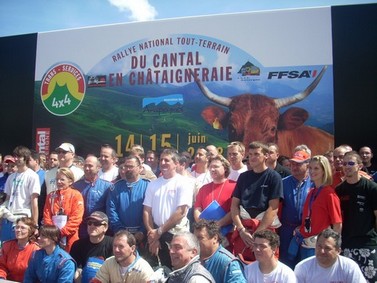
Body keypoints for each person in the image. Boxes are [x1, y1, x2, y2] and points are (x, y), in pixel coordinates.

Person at [231, 142, 283, 261]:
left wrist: (258, 234)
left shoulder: (274, 177)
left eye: (256, 154)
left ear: (266, 156)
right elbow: (234, 206)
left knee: (266, 265)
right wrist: (241, 230)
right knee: (241, 264)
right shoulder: (243, 177)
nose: (252, 157)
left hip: (265, 230)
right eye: (250, 154)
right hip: (244, 231)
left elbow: (273, 208)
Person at [143, 149, 193, 269]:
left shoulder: (184, 183)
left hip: (176, 235)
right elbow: (146, 211)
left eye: (167, 160)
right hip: (155, 235)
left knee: (176, 270)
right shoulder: (153, 184)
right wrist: (152, 235)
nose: (163, 162)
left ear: (176, 163)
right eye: (161, 160)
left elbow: (181, 212)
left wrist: (159, 232)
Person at [335, 151, 377, 282]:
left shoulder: (371, 187)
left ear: (359, 166)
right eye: (344, 163)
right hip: (347, 244)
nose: (347, 166)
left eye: (351, 163)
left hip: (367, 244)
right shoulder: (339, 190)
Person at [293, 155, 342, 260]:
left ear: (324, 171)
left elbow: (337, 224)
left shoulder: (329, 194)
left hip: (320, 246)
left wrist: (334, 247)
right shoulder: (312, 192)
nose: (312, 171)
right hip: (305, 243)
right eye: (310, 168)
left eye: (316, 168)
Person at [294, 228, 366, 283]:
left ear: (338, 251)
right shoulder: (302, 268)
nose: (322, 251)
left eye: (327, 248)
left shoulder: (350, 267)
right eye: (319, 246)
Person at [279, 150, 312, 268]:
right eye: (293, 163)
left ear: (308, 164)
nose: (294, 167)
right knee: (286, 264)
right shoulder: (283, 183)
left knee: (306, 266)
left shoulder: (314, 183)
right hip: (287, 231)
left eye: (298, 164)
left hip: (308, 232)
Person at [2, 146, 40, 241]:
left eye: (19, 157)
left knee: (20, 247)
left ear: (26, 158)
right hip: (9, 217)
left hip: (23, 216)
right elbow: (7, 198)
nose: (16, 159)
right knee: (5, 247)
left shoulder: (32, 176)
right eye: (15, 156)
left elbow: (34, 202)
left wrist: (34, 224)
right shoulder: (11, 177)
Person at [107, 156, 149, 244]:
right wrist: (120, 230)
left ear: (140, 168)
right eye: (126, 166)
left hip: (143, 236)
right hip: (121, 235)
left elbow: (151, 211)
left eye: (131, 166)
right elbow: (111, 211)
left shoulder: (148, 186)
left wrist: (142, 231)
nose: (128, 169)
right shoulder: (115, 187)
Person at [194, 155, 235, 241]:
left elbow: (235, 210)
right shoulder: (204, 188)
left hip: (227, 234)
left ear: (225, 168)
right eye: (210, 167)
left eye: (216, 167)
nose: (212, 169)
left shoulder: (234, 186)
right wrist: (203, 226)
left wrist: (218, 225)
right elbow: (197, 209)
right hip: (206, 235)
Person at [43, 167, 84, 252]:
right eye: (57, 179)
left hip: (70, 237)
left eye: (62, 179)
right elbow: (47, 216)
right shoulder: (51, 196)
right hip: (52, 238)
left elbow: (76, 218)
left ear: (70, 181)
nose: (59, 182)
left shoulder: (76, 195)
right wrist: (53, 233)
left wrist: (61, 232)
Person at [73, 155, 111, 238]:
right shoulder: (75, 186)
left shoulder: (107, 186)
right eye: (85, 165)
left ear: (98, 168)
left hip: (99, 230)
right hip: (80, 229)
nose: (87, 168)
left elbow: (110, 210)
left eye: (90, 166)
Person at [70, 211, 113, 283]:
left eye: (96, 223)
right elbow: (77, 271)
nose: (92, 226)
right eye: (89, 223)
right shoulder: (78, 245)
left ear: (105, 227)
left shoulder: (112, 244)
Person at [0, 217, 39, 282]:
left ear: (30, 231)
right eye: (17, 227)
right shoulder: (7, 246)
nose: (18, 230)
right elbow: (1, 265)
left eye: (22, 228)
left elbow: (37, 272)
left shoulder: (36, 249)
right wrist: (2, 278)